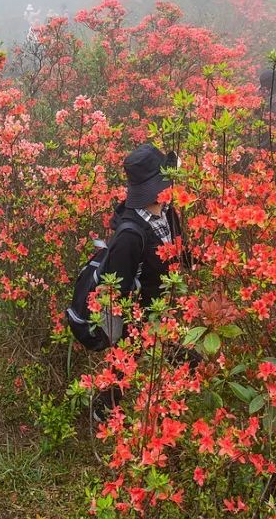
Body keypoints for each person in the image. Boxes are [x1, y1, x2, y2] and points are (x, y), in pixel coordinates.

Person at [89, 143, 185, 421]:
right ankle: (103, 408)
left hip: (166, 302)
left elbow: (177, 247)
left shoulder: (166, 210)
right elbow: (117, 287)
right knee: (126, 361)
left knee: (171, 350)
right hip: (140, 312)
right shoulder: (129, 235)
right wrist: (135, 323)